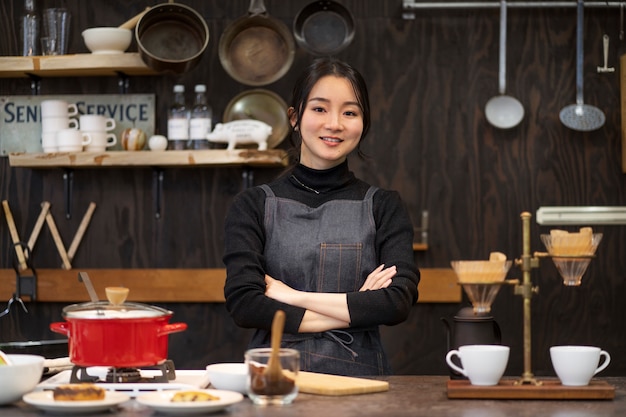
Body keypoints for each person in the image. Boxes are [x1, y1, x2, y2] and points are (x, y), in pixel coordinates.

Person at [223, 57, 420, 376]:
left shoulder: (384, 206)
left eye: (350, 112)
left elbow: (397, 301)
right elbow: (246, 304)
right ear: (295, 117)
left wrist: (292, 296)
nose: (335, 124)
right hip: (274, 378)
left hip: (361, 383)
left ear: (363, 123)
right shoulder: (253, 204)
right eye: (319, 109)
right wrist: (359, 305)